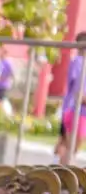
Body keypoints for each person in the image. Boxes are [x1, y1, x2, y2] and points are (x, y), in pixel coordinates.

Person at [57, 33, 86, 166]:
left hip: (80, 110)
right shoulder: (78, 62)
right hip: (74, 109)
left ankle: (59, 169)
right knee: (71, 147)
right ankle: (61, 171)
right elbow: (77, 91)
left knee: (69, 146)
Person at [0, 46, 14, 113]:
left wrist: (2, 78)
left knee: (0, 100)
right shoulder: (0, 62)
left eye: (1, 53)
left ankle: (1, 113)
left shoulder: (8, 63)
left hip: (3, 85)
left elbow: (11, 73)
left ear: (4, 54)